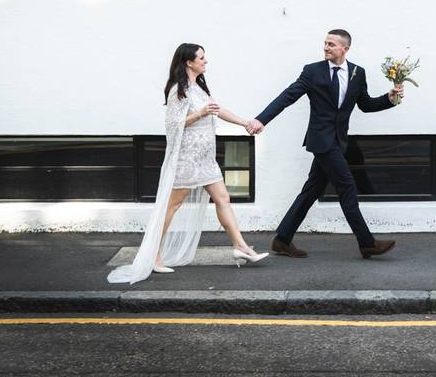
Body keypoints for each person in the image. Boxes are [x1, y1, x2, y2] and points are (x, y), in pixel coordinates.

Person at [108, 43, 268, 284]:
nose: (206, 61)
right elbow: (173, 124)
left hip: (206, 158)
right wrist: (201, 113)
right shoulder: (178, 90)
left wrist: (245, 123)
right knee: (172, 206)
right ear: (188, 62)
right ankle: (154, 254)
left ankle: (241, 246)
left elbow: (217, 110)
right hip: (187, 158)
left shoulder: (199, 88)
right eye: (201, 58)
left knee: (223, 198)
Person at [245, 29, 404, 259]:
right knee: (347, 186)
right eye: (325, 43)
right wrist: (261, 119)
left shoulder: (358, 73)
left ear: (345, 48)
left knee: (311, 191)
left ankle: (282, 239)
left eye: (331, 44)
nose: (326, 47)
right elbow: (288, 96)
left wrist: (389, 99)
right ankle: (367, 243)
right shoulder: (313, 71)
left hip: (339, 141)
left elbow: (365, 104)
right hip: (321, 141)